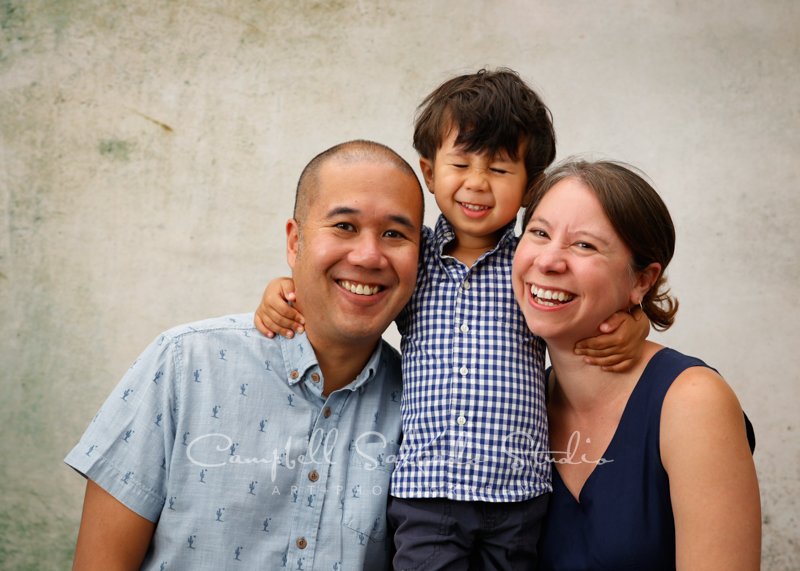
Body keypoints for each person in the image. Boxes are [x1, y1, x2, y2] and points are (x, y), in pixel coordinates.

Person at [255, 69, 651, 569]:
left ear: (530, 186)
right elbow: (344, 283)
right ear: (429, 171)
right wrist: (282, 290)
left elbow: (582, 309)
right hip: (429, 491)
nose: (477, 184)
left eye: (501, 170)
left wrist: (631, 319)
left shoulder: (529, 267)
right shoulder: (410, 257)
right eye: (460, 163)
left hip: (519, 494)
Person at [64, 140, 425, 570]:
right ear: (295, 243)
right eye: (344, 226)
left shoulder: (422, 404)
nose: (368, 255)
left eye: (394, 234)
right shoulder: (184, 364)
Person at [511, 159, 761, 569]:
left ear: (641, 281)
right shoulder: (518, 400)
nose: (549, 261)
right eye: (539, 233)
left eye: (584, 245)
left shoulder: (692, 402)